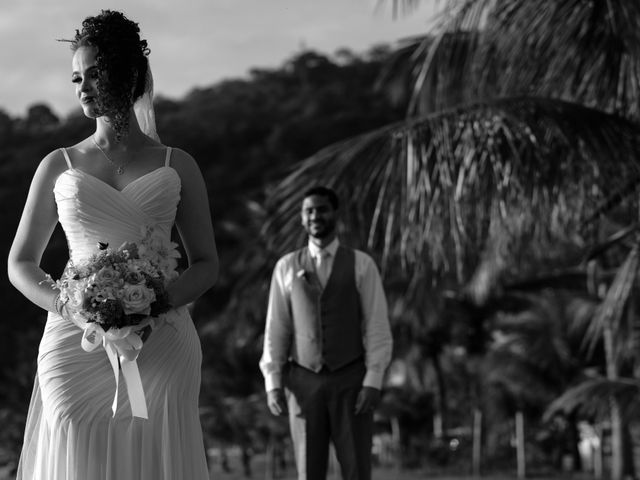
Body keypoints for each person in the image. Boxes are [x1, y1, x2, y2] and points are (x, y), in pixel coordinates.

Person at [7, 10, 218, 480]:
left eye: (94, 74)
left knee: (155, 440)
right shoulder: (57, 164)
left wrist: (156, 304)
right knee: (74, 434)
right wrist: (69, 307)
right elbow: (20, 262)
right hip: (75, 340)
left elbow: (206, 263)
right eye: (76, 77)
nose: (82, 87)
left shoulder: (176, 164)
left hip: (161, 340)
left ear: (129, 74)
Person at [260, 186, 393, 480]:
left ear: (336, 214)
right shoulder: (285, 267)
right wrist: (273, 381)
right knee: (308, 471)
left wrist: (373, 380)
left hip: (352, 380)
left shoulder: (362, 264)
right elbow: (276, 328)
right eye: (309, 211)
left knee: (357, 468)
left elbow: (377, 325)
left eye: (321, 209)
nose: (315, 215)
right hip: (303, 381)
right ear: (302, 218)